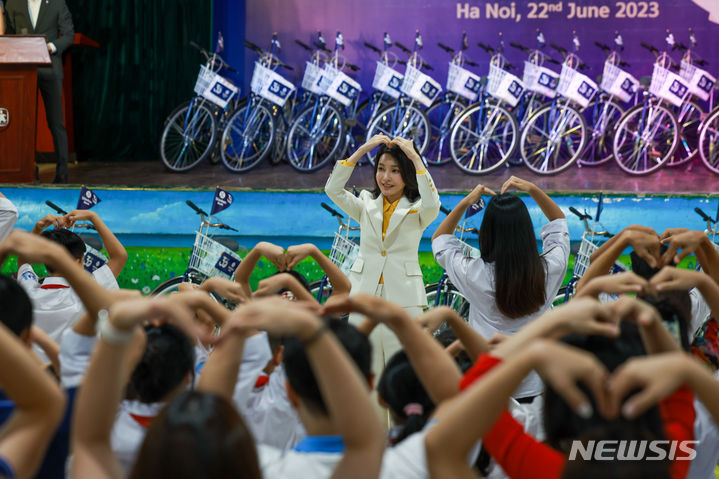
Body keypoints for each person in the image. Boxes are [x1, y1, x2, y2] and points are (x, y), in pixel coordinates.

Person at [431, 176, 569, 400]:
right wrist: (533, 189)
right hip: (536, 381)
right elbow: (558, 222)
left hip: (487, 382)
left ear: (487, 232)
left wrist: (466, 201)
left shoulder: (472, 273)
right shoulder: (549, 268)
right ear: (526, 231)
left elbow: (441, 239)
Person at [325, 134, 440, 376]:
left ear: (407, 173)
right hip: (364, 296)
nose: (386, 177)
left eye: (395, 170)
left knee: (403, 376)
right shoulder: (366, 203)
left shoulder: (418, 208)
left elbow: (433, 204)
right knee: (366, 372)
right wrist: (362, 150)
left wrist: (415, 158)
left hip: (405, 299)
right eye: (380, 169)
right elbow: (332, 189)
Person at [3, 0, 74, 183]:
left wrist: (48, 47)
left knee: (56, 122)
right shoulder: (13, 4)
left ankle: (62, 172)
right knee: (21, 124)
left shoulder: (57, 3)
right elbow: (8, 37)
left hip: (50, 68)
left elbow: (68, 35)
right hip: (21, 72)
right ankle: (26, 170)